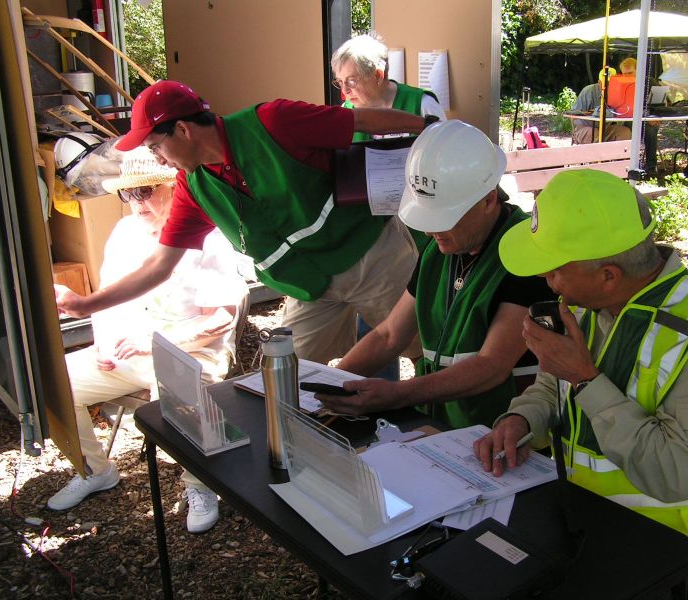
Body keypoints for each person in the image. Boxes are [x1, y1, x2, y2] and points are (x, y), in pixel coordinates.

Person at [473, 169, 688, 597]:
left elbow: (679, 475)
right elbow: (549, 390)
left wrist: (585, 377)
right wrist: (520, 421)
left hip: (672, 539)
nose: (545, 280)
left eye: (554, 269)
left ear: (609, 275)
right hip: (578, 508)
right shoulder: (581, 305)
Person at [55, 80, 434, 365]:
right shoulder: (194, 187)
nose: (157, 159)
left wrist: (428, 127)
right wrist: (88, 304)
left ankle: (446, 434)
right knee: (296, 378)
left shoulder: (273, 122)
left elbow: (360, 120)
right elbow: (159, 265)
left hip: (371, 257)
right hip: (308, 287)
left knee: (424, 348)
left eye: (155, 146)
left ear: (183, 130)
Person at [49, 147, 249, 534]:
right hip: (132, 346)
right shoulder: (125, 232)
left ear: (173, 186)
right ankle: (94, 469)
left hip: (193, 347)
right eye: (127, 193)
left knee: (182, 391)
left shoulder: (206, 233)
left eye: (145, 191)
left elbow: (222, 319)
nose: (135, 203)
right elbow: (107, 297)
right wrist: (104, 341)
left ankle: (200, 484)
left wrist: (154, 341)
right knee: (55, 382)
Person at [318, 121, 555, 429]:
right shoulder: (439, 249)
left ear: (488, 200)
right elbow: (390, 334)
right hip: (440, 426)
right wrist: (333, 386)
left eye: (445, 217)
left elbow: (492, 365)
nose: (431, 230)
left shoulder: (525, 254)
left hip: (499, 435)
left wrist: (395, 394)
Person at [331, 32, 447, 376]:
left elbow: (442, 158)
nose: (346, 91)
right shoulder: (346, 113)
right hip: (371, 233)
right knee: (374, 317)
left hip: (420, 231)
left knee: (424, 308)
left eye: (351, 80)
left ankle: (433, 385)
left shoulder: (421, 104)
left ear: (378, 74)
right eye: (340, 82)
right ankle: (378, 397)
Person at [569, 66, 632, 144]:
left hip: (606, 128)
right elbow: (573, 114)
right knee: (593, 133)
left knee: (625, 132)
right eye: (606, 83)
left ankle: (619, 156)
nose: (608, 85)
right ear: (599, 82)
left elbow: (624, 111)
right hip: (584, 128)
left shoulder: (619, 92)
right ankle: (599, 156)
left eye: (612, 83)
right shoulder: (589, 91)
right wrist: (592, 113)